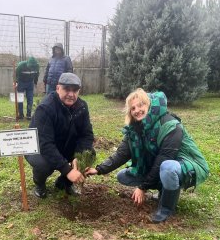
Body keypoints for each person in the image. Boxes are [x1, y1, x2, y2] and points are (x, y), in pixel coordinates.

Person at [85, 88, 209, 223]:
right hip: (159, 165)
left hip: (186, 164)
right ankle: (162, 188)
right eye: (133, 108)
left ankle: (167, 208)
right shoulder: (135, 129)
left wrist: (142, 187)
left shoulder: (170, 125)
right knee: (123, 176)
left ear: (149, 104)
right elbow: (121, 154)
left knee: (167, 167)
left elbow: (165, 158)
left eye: (140, 105)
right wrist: (99, 169)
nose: (137, 110)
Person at [25, 72, 95, 198]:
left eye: (75, 90)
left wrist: (78, 157)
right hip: (39, 148)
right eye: (66, 89)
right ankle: (40, 184)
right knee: (44, 165)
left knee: (88, 154)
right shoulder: (46, 108)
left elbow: (87, 135)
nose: (71, 94)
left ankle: (64, 183)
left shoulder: (82, 106)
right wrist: (66, 169)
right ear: (58, 88)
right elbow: (45, 144)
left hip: (64, 145)